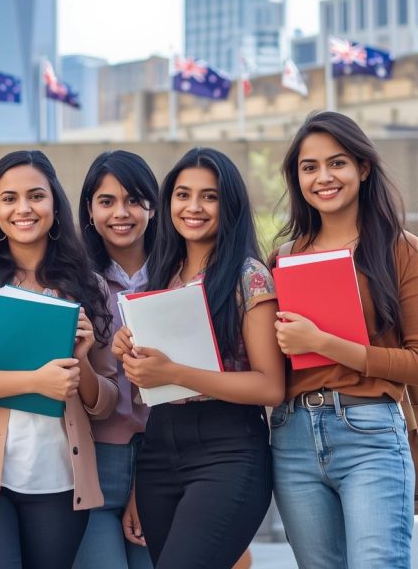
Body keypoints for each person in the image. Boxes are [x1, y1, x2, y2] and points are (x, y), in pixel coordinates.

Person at [0, 150, 118, 569]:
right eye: (9, 198)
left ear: (55, 206)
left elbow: (106, 401)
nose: (23, 209)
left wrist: (80, 363)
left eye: (36, 196)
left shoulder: (90, 286)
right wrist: (33, 382)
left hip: (62, 478)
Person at [113, 147, 284, 568]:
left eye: (209, 196)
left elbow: (271, 386)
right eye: (182, 194)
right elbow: (154, 382)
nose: (193, 207)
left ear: (230, 205)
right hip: (159, 451)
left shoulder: (250, 275)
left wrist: (175, 371)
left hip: (228, 450)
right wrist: (130, 353)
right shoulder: (161, 276)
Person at [270, 111, 418, 569]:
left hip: (370, 431)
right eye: (309, 167)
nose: (323, 177)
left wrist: (321, 341)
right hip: (292, 437)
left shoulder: (400, 248)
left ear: (363, 168)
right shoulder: (282, 257)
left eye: (337, 163)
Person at [73, 150, 157, 569]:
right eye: (106, 201)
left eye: (133, 200)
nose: (120, 213)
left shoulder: (177, 277)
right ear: (89, 210)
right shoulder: (71, 280)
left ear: (153, 207)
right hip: (92, 459)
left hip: (162, 458)